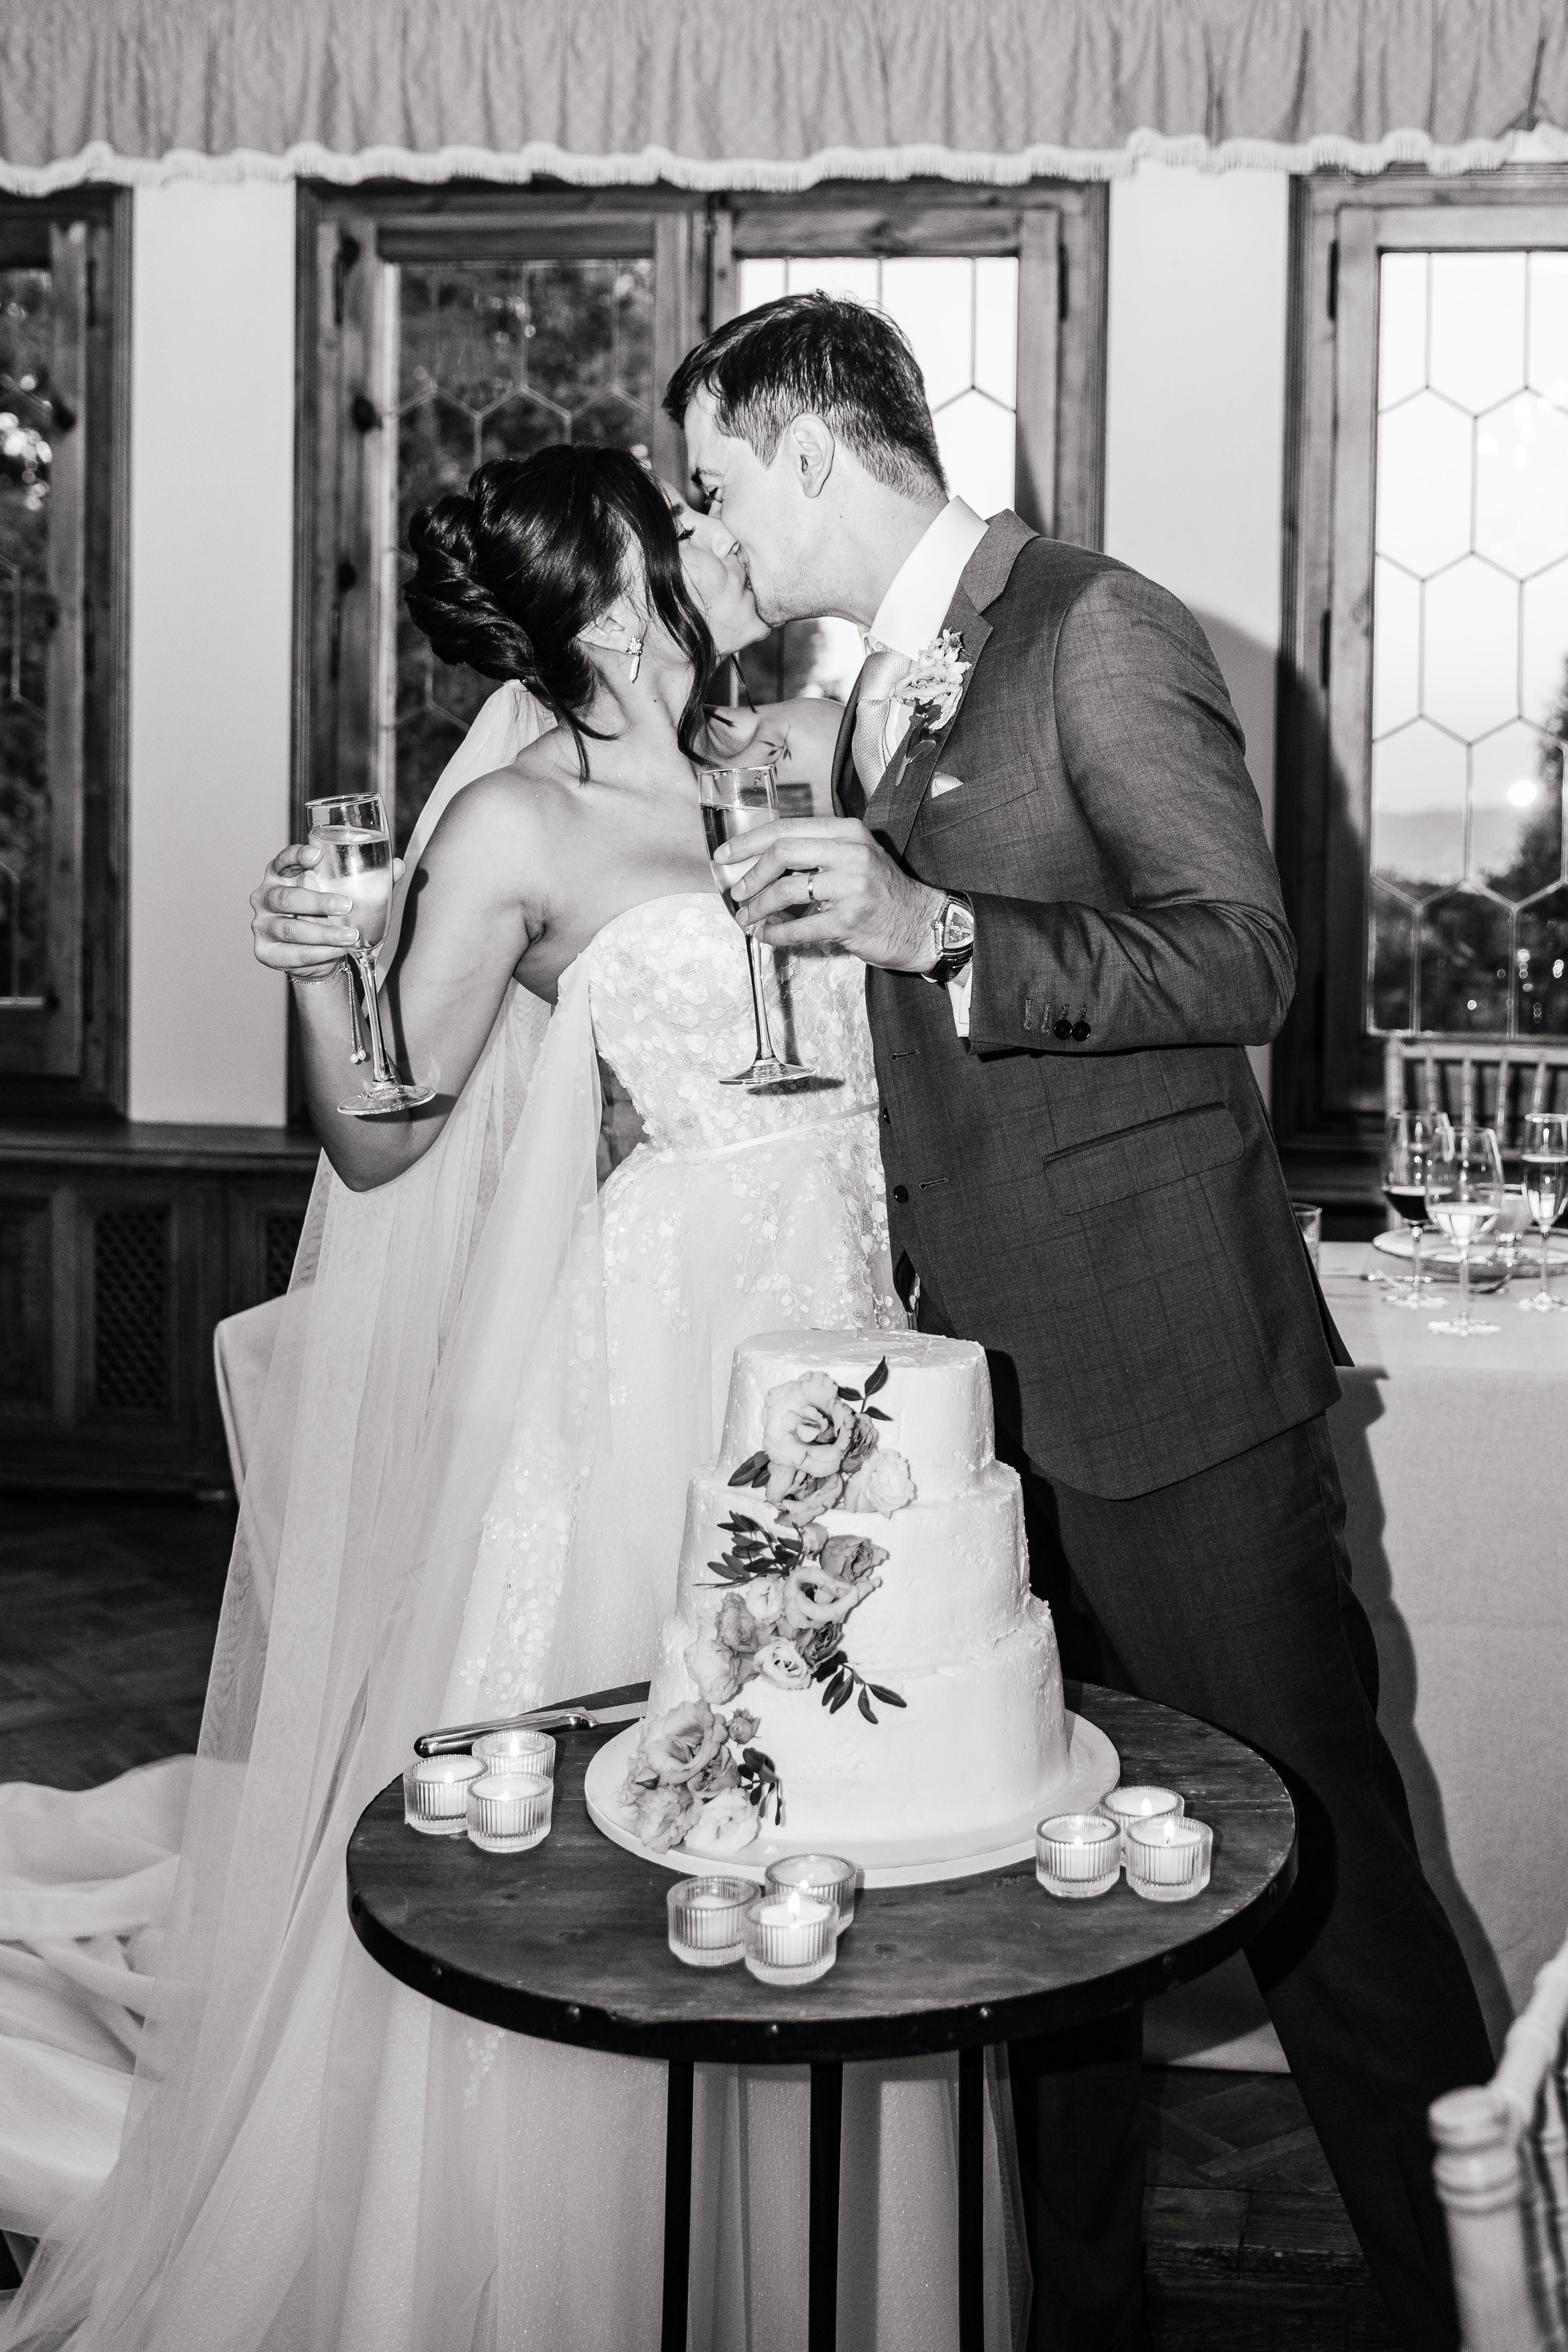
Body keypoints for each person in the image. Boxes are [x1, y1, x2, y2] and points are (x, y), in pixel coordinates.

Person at [0, 447, 1028, 2352]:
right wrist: (324, 977)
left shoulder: (801, 750)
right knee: (628, 1754)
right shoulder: (515, 826)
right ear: (580, 620)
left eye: (686, 540)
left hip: (845, 1321)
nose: (683, 578)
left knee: (841, 1764)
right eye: (644, 562)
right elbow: (384, 1134)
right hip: (658, 1339)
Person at [666, 291, 1496, 2352]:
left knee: (1324, 1890)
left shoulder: (1094, 626)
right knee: (1042, 1898)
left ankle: (1485, 2303)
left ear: (811, 449)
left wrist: (936, 920)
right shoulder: (866, 690)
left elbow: (1243, 956)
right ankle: (1079, 2316)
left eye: (717, 483)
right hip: (982, 1402)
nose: (711, 528)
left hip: (1167, 1373)